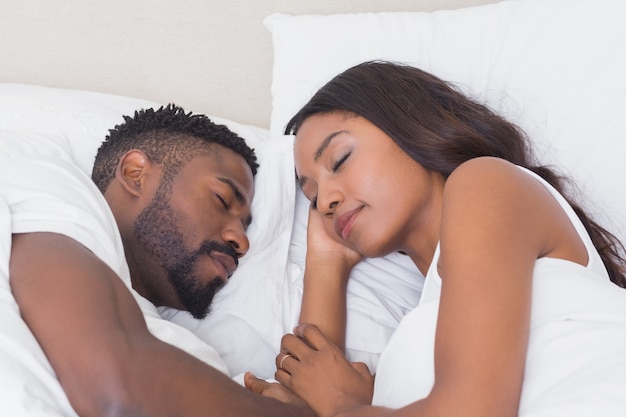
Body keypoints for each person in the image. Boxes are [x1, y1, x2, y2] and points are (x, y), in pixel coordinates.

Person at [245, 61, 626, 416]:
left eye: (340, 160)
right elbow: (306, 394)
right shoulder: (416, 337)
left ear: (407, 124)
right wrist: (326, 263)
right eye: (312, 197)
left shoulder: (485, 183)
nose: (325, 200)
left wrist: (343, 407)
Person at [4, 105, 313, 416]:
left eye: (246, 225)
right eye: (222, 199)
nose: (241, 242)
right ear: (135, 173)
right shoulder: (56, 188)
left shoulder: (189, 354)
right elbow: (115, 393)